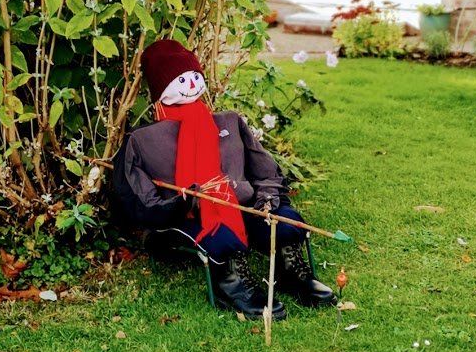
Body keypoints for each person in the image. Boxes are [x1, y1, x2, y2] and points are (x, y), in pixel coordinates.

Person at [111, 40, 336, 320]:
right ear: (162, 86)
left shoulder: (228, 121)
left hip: (243, 201)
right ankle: (231, 279)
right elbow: (137, 198)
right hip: (195, 213)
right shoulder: (142, 140)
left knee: (285, 222)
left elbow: (265, 170)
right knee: (221, 238)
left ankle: (290, 271)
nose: (191, 85)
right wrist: (183, 202)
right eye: (180, 79)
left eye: (194, 77)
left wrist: (267, 198)